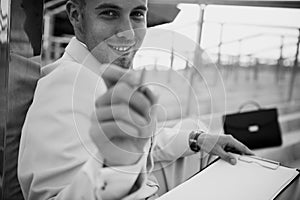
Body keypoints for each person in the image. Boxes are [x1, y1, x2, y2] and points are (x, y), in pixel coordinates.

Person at [18, 0, 253, 199]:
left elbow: (139, 140)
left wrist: (197, 139)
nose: (129, 33)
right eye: (109, 13)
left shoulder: (96, 74)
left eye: (137, 14)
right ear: (76, 16)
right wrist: (119, 166)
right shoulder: (68, 83)